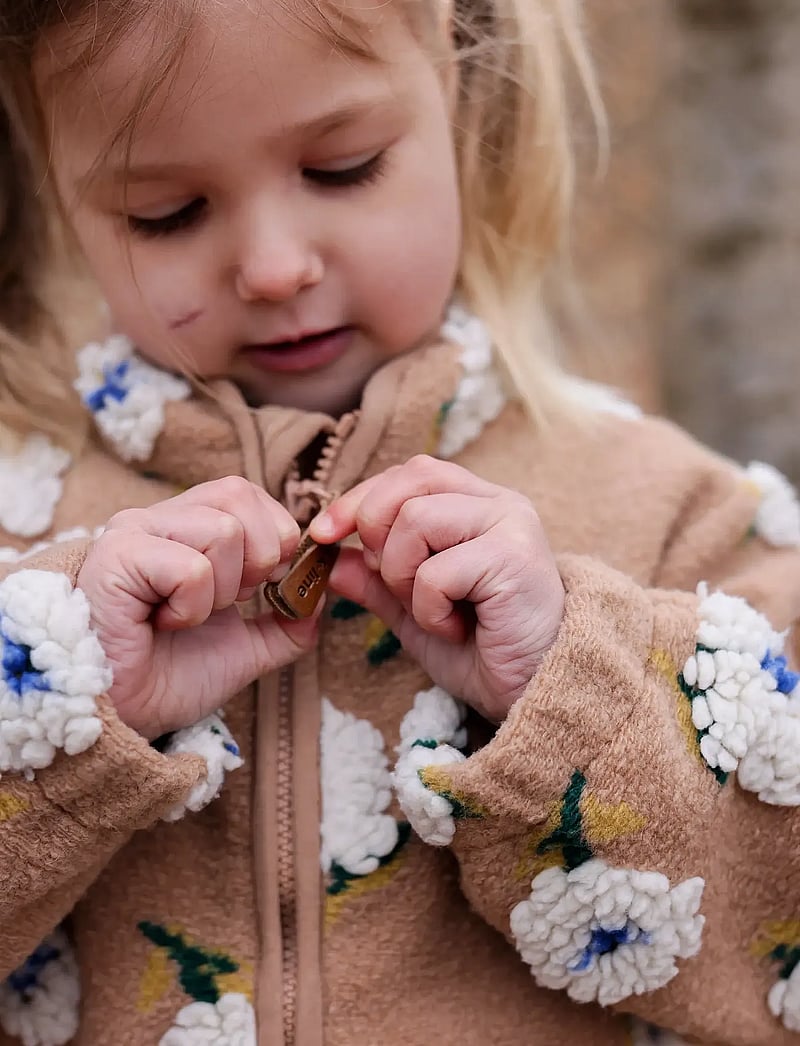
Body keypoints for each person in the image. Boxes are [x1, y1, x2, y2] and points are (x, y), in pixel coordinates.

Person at [0, 1, 798, 1043]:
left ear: (465, 100)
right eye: (166, 212)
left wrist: (573, 688)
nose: (274, 266)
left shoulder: (675, 512)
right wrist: (55, 688)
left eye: (343, 168)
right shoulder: (21, 531)